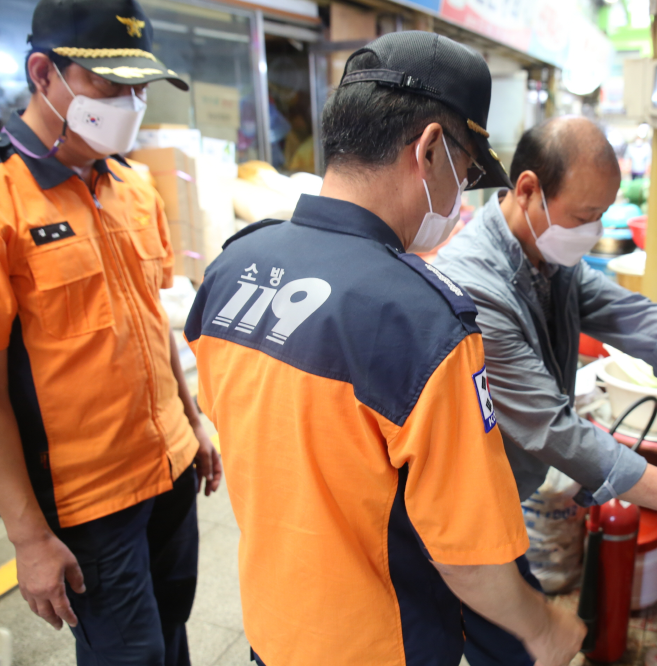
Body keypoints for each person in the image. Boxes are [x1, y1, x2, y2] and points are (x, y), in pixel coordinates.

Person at [184, 32, 585, 666]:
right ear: (429, 150)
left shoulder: (233, 268)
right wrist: (542, 629)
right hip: (378, 646)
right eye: (469, 174)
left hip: (273, 629)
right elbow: (468, 556)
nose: (461, 202)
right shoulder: (423, 323)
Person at [433, 116, 657, 666]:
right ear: (528, 189)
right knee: (488, 629)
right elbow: (556, 431)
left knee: (513, 632)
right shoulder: (476, 287)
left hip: (504, 495)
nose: (593, 229)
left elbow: (629, 314)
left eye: (602, 214)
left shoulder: (546, 254)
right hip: (465, 503)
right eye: (584, 216)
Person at [0, 1, 221, 664]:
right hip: (90, 504)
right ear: (43, 73)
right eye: (112, 84)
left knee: (172, 632)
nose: (132, 103)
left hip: (168, 472)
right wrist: (26, 537)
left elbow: (151, 322)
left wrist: (190, 422)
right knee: (126, 655)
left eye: (142, 87)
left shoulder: (135, 189)